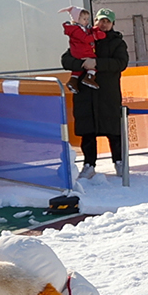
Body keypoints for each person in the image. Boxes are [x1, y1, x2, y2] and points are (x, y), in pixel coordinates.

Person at [64, 9, 129, 174]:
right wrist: (82, 64)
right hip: (85, 93)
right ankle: (89, 165)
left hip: (108, 93)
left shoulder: (117, 42)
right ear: (95, 22)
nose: (104, 24)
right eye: (101, 20)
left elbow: (120, 63)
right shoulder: (82, 36)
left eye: (107, 21)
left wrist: (96, 63)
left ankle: (119, 163)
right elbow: (66, 59)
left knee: (114, 131)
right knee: (87, 132)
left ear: (113, 23)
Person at [60, 7, 99, 83]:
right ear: (76, 19)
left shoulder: (81, 28)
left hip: (78, 50)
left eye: (87, 19)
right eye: (84, 19)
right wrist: (95, 36)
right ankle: (89, 77)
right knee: (93, 61)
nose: (87, 21)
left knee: (78, 69)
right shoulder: (76, 29)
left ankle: (73, 80)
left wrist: (93, 30)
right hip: (82, 50)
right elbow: (85, 38)